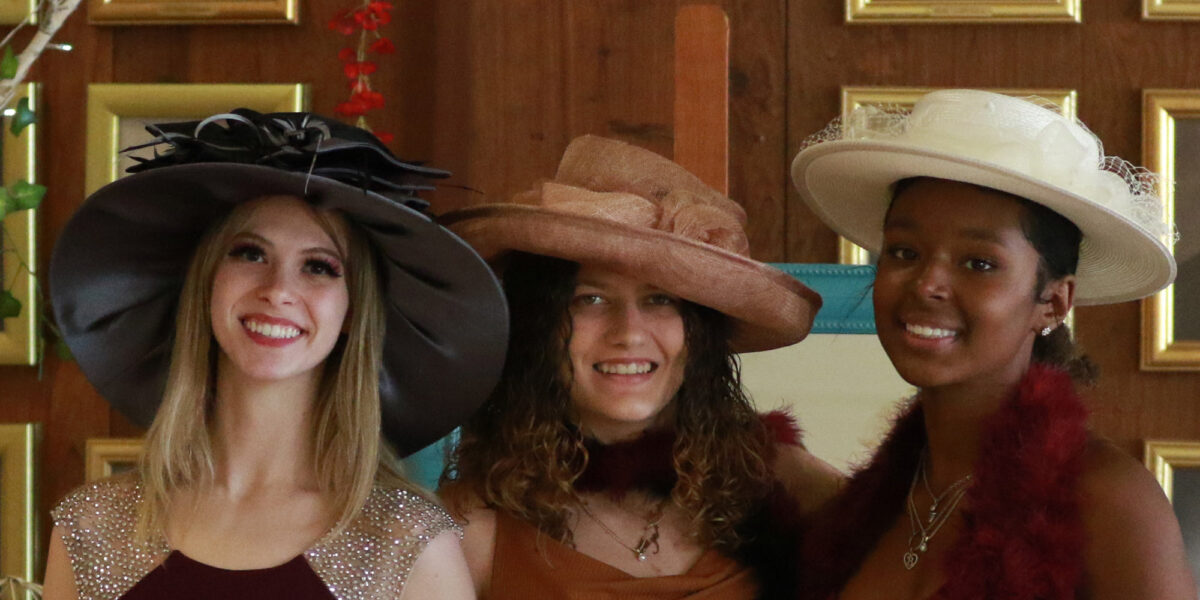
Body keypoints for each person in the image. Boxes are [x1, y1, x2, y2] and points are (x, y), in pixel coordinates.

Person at [42, 110, 509, 600]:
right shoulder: (92, 526)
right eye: (249, 253)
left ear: (353, 311)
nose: (279, 290)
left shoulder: (407, 540)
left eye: (319, 267)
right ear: (206, 283)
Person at [790, 89, 1196, 599]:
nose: (926, 283)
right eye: (904, 251)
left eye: (978, 263)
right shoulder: (868, 507)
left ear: (1053, 301)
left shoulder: (1107, 500)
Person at [438, 134, 844, 599]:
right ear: (538, 327)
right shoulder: (469, 526)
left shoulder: (781, 482)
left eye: (659, 300)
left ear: (700, 334)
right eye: (590, 298)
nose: (629, 332)